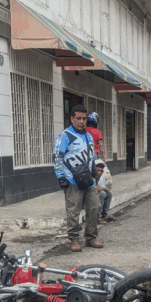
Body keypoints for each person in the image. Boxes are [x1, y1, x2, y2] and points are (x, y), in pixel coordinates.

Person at [54, 104, 102, 252]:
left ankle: (91, 237)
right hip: (72, 179)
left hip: (88, 180)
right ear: (72, 119)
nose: (81, 121)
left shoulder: (88, 136)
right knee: (73, 211)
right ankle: (74, 239)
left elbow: (91, 156)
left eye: (84, 118)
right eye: (78, 118)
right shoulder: (65, 136)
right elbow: (57, 157)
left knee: (95, 207)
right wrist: (60, 176)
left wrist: (94, 171)